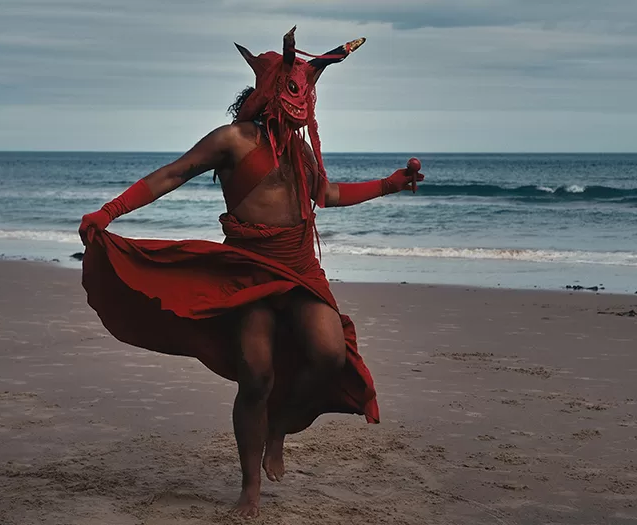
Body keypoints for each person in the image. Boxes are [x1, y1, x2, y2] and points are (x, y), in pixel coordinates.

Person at [78, 27, 426, 518]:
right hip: (250, 272)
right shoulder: (232, 140)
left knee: (329, 353)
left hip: (300, 268)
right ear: (267, 95)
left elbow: (326, 195)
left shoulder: (300, 151)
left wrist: (391, 184)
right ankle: (250, 488)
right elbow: (172, 173)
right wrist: (108, 212)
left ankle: (277, 428)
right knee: (256, 375)